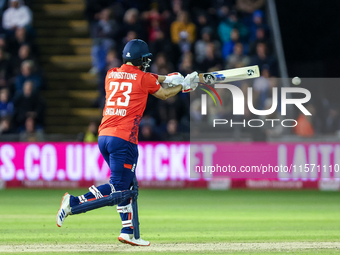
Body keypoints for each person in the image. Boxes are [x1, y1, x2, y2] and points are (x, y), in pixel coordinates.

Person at [56, 39, 199, 246]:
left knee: (129, 184)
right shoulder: (143, 78)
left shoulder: (111, 74)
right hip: (124, 139)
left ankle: (129, 232)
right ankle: (74, 203)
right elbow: (165, 93)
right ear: (141, 60)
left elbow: (148, 78)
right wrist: (184, 87)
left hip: (104, 136)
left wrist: (170, 78)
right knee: (118, 188)